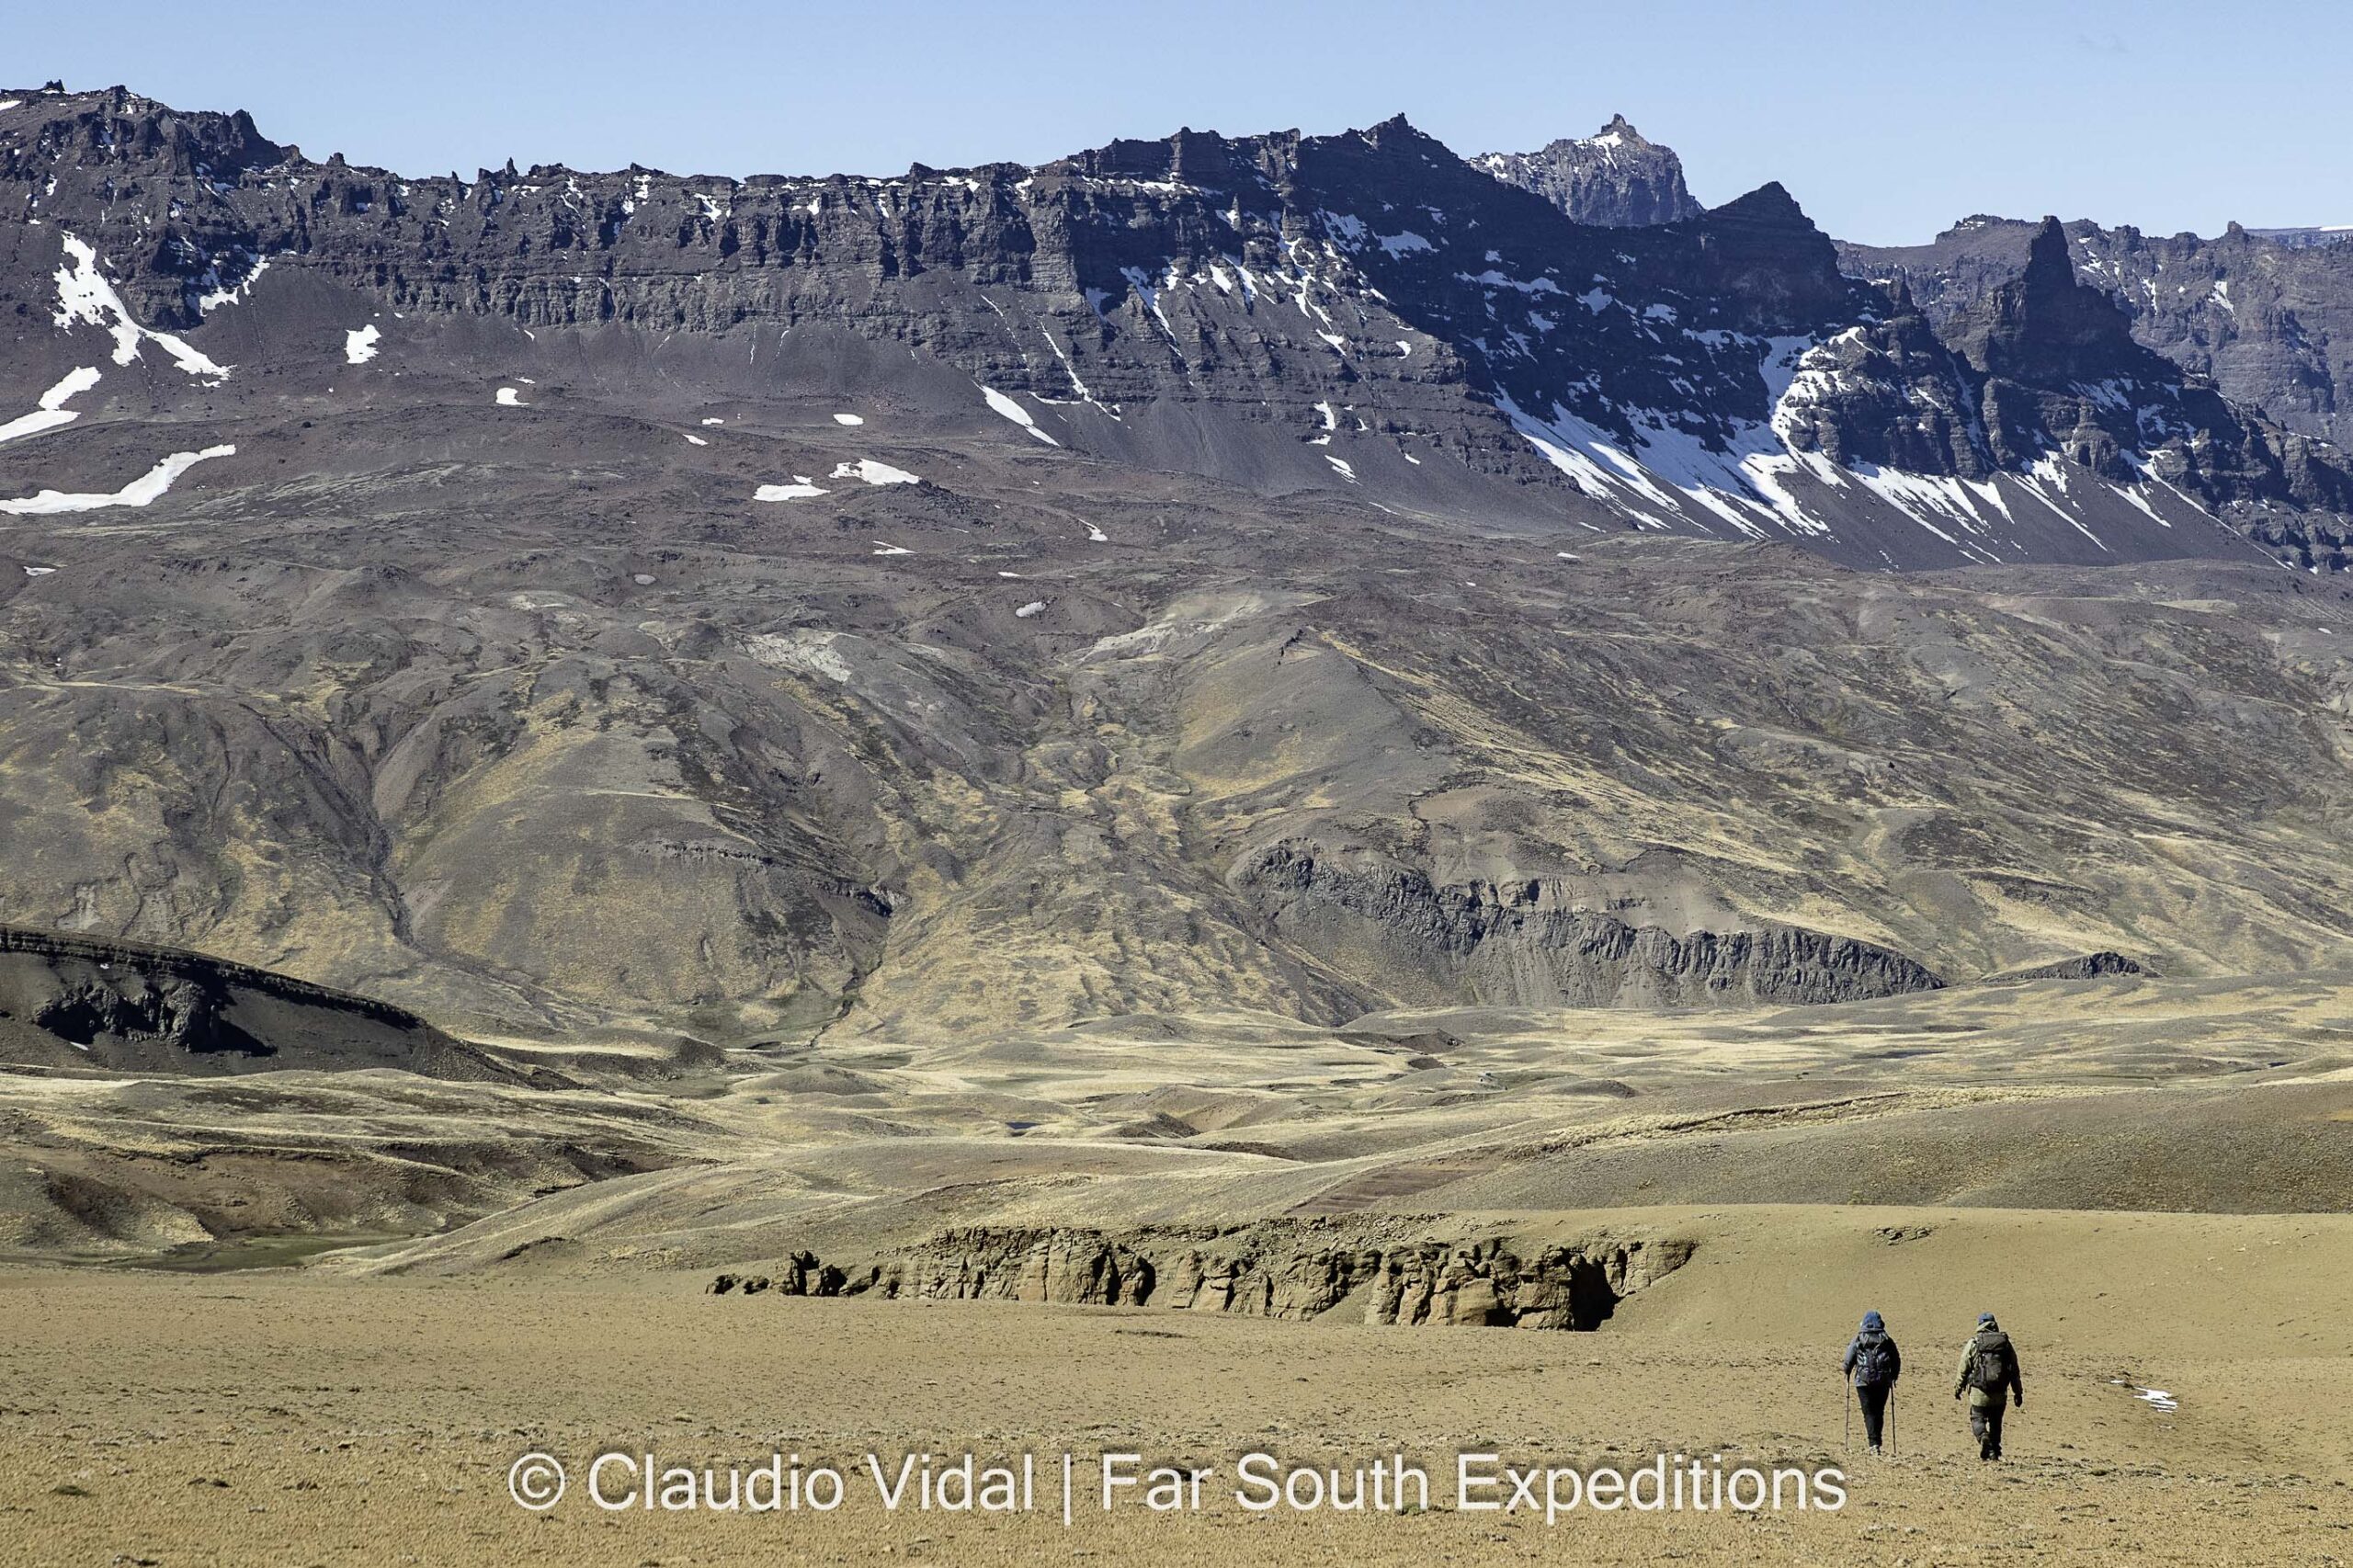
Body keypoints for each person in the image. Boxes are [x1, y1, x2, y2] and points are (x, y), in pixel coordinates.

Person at [1953, 1312, 2024, 1460]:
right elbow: (2014, 1370)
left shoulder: (1974, 1342)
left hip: (1979, 1392)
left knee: (1977, 1418)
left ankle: (1983, 1437)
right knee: (1996, 1423)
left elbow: (1963, 1366)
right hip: (2000, 1392)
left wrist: (1958, 1388)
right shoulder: (2004, 1344)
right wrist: (2018, 1392)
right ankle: (1995, 1452)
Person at [1840, 1310, 1902, 1452]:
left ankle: (1873, 1444)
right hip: (1883, 1381)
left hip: (1863, 1381)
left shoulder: (1858, 1338)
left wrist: (1847, 1371)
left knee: (1868, 1412)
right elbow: (1896, 1359)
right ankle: (1877, 1443)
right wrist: (1894, 1376)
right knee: (1879, 1411)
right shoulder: (1887, 1339)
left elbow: (1849, 1359)